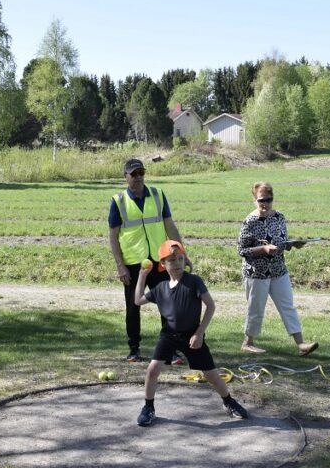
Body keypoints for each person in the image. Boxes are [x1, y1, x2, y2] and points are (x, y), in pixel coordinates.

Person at [133, 240, 248, 427]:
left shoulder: (193, 281)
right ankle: (148, 407)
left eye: (180, 258)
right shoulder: (161, 288)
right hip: (168, 335)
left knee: (211, 375)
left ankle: (229, 401)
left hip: (192, 336)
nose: (177, 263)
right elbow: (137, 300)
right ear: (162, 264)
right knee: (152, 370)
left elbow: (210, 306)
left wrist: (200, 333)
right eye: (171, 260)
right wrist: (142, 276)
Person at [108, 158, 186, 364]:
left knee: (168, 304)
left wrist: (181, 255)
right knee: (133, 307)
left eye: (141, 172)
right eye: (133, 174)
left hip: (160, 260)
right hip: (133, 263)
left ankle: (170, 350)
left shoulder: (158, 194)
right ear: (125, 176)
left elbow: (170, 226)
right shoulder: (118, 201)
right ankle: (134, 349)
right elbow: (113, 236)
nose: (138, 177)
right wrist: (120, 265)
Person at [236, 181, 318, 356]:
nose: (265, 204)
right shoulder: (250, 221)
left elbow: (281, 242)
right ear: (254, 200)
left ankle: (301, 345)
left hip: (278, 270)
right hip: (257, 273)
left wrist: (293, 244)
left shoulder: (279, 217)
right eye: (261, 200)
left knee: (287, 306)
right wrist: (263, 249)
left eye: (268, 199)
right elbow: (241, 250)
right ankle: (248, 342)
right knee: (256, 309)